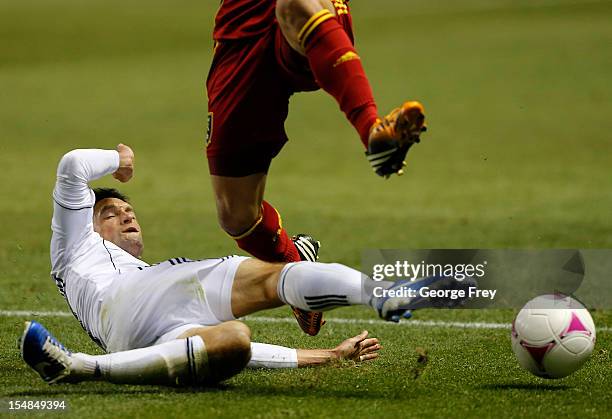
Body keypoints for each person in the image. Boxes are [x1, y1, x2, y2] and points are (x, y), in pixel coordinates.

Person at [21, 145, 467, 387]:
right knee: (269, 273)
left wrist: (326, 357)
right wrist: (119, 161)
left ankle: (78, 367)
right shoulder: (72, 244)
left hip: (141, 334)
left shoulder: (132, 273)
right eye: (111, 213)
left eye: (129, 211)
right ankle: (377, 291)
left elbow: (251, 356)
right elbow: (73, 165)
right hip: (134, 302)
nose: (127, 215)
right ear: (86, 222)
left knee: (234, 342)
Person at [206, 0, 428, 336]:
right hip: (242, 29)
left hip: (307, 14)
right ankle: (297, 269)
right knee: (235, 214)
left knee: (295, 4)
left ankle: (373, 132)